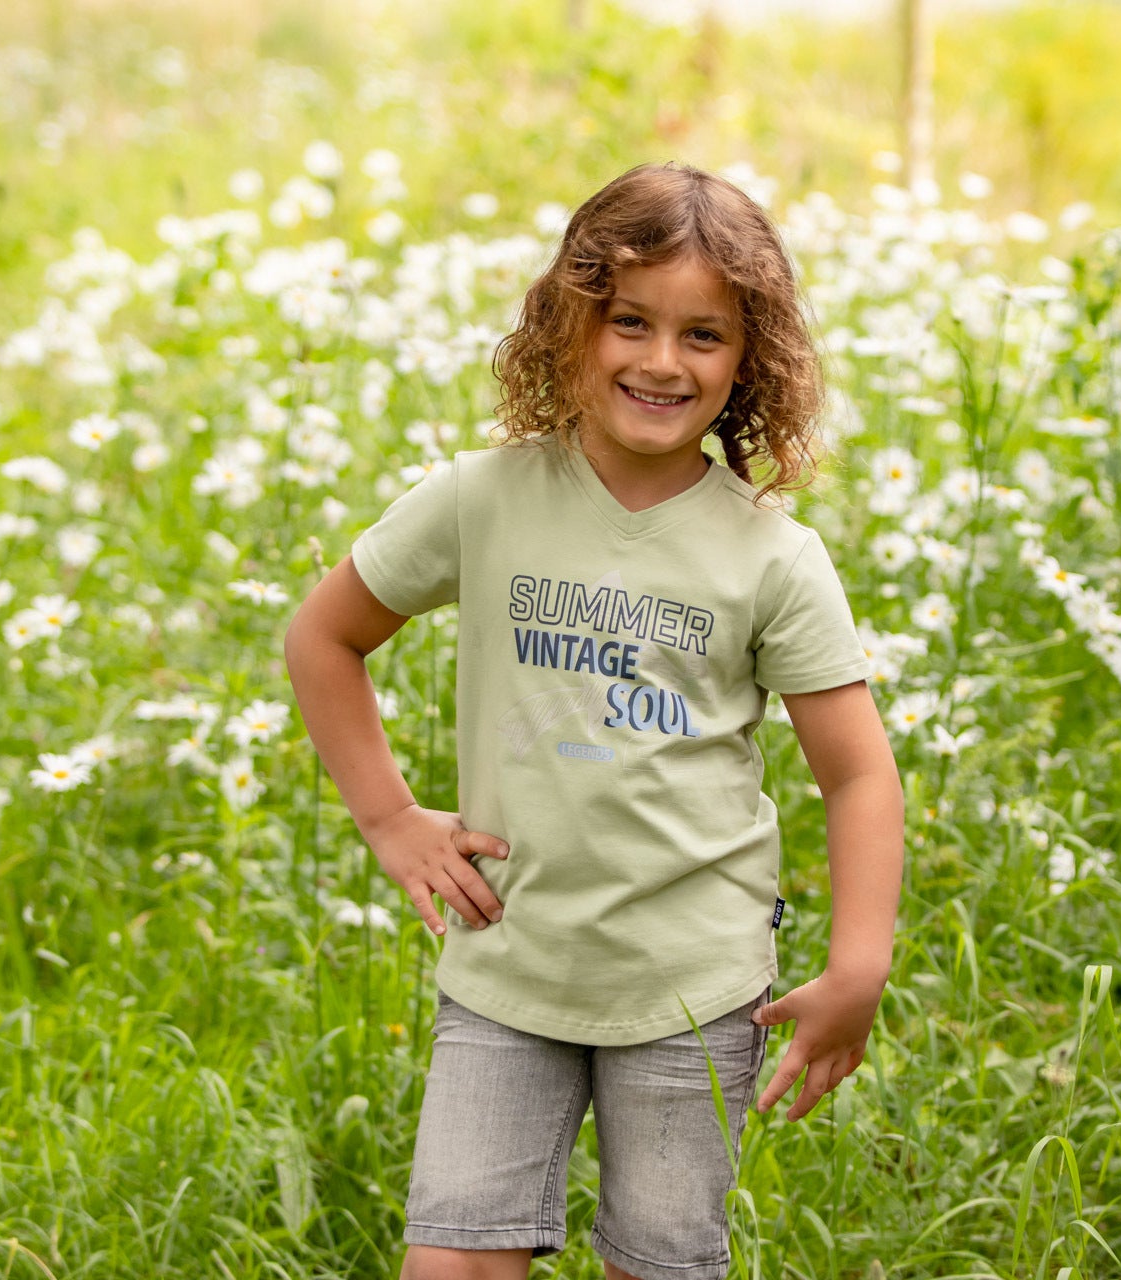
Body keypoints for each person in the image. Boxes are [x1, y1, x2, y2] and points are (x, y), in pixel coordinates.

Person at [284, 161, 904, 1280]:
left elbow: (858, 775)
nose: (662, 361)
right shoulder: (482, 497)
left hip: (691, 989)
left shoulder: (773, 557)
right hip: (506, 969)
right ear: (568, 321)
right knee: (450, 1265)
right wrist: (390, 820)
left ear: (750, 360)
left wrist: (858, 967)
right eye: (630, 321)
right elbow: (323, 637)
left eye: (703, 335)